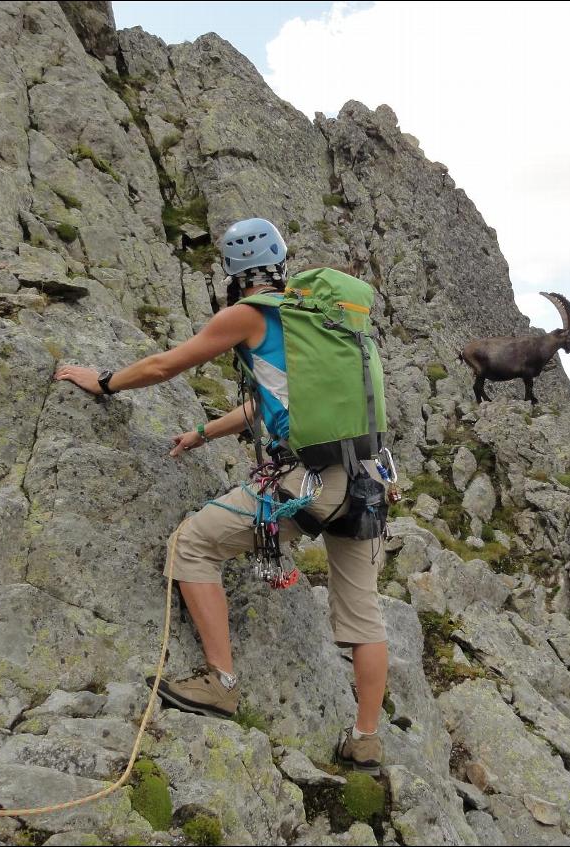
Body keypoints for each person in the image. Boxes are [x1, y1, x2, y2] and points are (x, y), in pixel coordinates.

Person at [54, 218, 388, 773]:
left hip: (307, 482)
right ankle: (366, 741)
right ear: (281, 260)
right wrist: (205, 432)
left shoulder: (249, 315)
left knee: (192, 544)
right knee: (364, 619)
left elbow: (166, 365)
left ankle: (220, 681)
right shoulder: (319, 319)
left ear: (233, 272)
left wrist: (105, 380)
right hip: (367, 482)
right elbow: (279, 402)